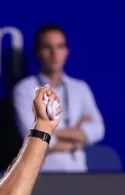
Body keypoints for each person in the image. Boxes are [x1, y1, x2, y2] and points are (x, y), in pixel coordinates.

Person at [12, 24, 104, 173]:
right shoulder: (25, 89)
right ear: (37, 52)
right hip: (41, 175)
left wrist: (52, 131)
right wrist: (76, 137)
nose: (54, 53)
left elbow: (98, 129)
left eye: (60, 46)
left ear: (66, 51)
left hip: (78, 173)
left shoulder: (80, 88)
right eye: (47, 47)